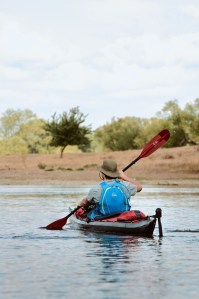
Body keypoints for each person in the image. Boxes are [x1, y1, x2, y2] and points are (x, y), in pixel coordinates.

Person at [78, 159, 142, 220]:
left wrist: (79, 206)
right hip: (122, 216)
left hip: (104, 217)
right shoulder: (125, 186)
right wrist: (123, 176)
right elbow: (139, 187)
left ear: (102, 174)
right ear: (116, 173)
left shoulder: (97, 189)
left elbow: (85, 201)